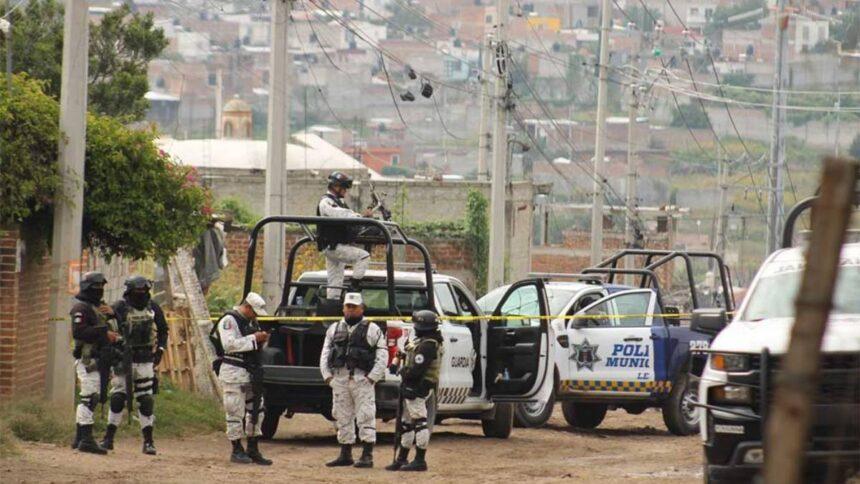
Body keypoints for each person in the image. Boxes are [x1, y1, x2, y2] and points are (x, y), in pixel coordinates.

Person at [100, 276, 169, 455]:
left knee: (145, 400)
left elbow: (163, 329)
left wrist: (160, 350)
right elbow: (107, 329)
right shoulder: (119, 307)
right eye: (137, 291)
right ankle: (108, 438)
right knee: (117, 398)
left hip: (145, 358)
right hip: (123, 357)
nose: (141, 294)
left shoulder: (152, 307)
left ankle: (148, 441)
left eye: (143, 291)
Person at [319, 292, 387, 468]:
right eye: (347, 306)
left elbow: (382, 355)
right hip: (339, 378)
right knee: (341, 415)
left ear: (361, 308)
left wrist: (372, 377)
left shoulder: (373, 329)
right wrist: (327, 377)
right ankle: (345, 452)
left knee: (365, 415)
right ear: (343, 308)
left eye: (354, 307)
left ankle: (367, 454)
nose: (350, 310)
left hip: (361, 379)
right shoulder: (334, 328)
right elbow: (325, 353)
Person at [213, 292, 272, 465]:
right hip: (233, 370)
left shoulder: (251, 321)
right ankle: (236, 448)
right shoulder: (228, 321)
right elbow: (229, 345)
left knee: (256, 410)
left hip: (251, 371)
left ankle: (253, 447)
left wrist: (261, 340)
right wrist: (255, 338)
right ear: (247, 307)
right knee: (234, 410)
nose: (255, 316)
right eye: (253, 311)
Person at [386, 310, 443, 472]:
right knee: (406, 423)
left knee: (419, 421)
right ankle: (402, 458)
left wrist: (403, 372)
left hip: (418, 386)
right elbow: (406, 352)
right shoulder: (422, 341)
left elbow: (417, 369)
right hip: (412, 384)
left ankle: (420, 460)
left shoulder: (428, 345)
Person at [71, 272, 117, 455]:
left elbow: (114, 326)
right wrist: (103, 333)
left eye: (101, 288)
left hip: (101, 357)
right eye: (95, 288)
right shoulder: (80, 308)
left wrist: (113, 316)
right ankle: (86, 439)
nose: (99, 291)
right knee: (89, 397)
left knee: (92, 396)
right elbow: (79, 332)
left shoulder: (99, 308)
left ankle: (79, 437)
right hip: (87, 359)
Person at [317, 171, 373, 299]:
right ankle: (354, 287)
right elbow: (341, 214)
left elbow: (348, 219)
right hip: (334, 246)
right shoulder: (326, 202)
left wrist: (362, 222)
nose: (346, 191)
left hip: (335, 247)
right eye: (344, 188)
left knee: (335, 283)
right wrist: (361, 217)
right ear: (336, 187)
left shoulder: (338, 202)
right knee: (363, 257)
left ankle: (332, 308)